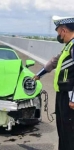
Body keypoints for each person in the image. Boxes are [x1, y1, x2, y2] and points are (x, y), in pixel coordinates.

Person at [33, 16, 74, 150]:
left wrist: (73, 98)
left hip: (69, 95)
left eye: (58, 32)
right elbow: (54, 61)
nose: (58, 36)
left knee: (69, 131)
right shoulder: (68, 46)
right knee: (63, 129)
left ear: (63, 30)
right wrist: (39, 75)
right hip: (62, 94)